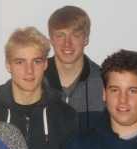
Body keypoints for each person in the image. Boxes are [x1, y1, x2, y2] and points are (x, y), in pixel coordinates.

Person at [44, 5, 104, 133]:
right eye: (60, 35)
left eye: (75, 36)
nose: (67, 43)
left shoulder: (104, 81)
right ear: (51, 39)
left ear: (86, 39)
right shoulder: (35, 79)